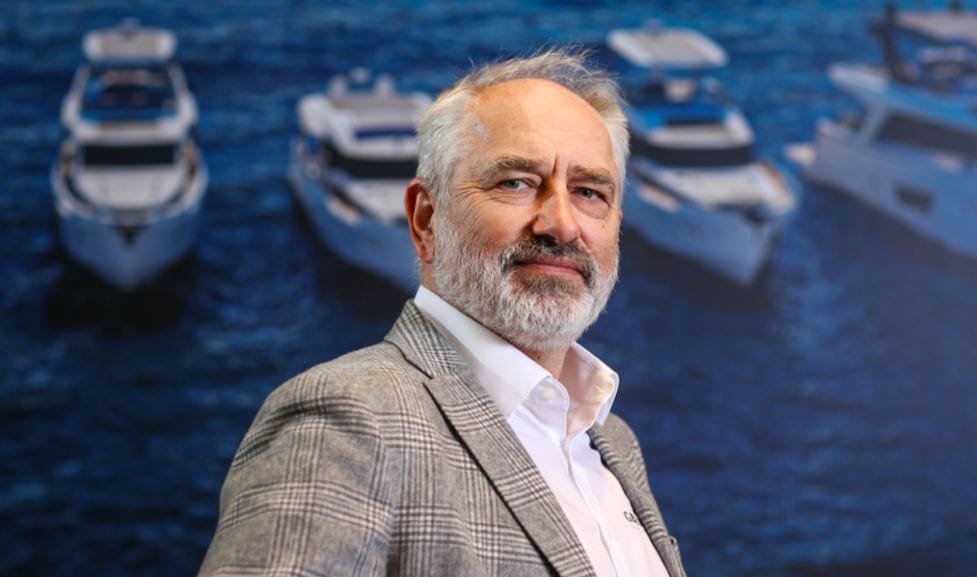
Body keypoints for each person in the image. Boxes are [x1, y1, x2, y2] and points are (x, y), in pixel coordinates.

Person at [199, 49, 686, 577]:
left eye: (590, 192)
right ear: (426, 219)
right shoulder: (348, 419)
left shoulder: (612, 442)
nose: (562, 224)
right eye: (517, 182)